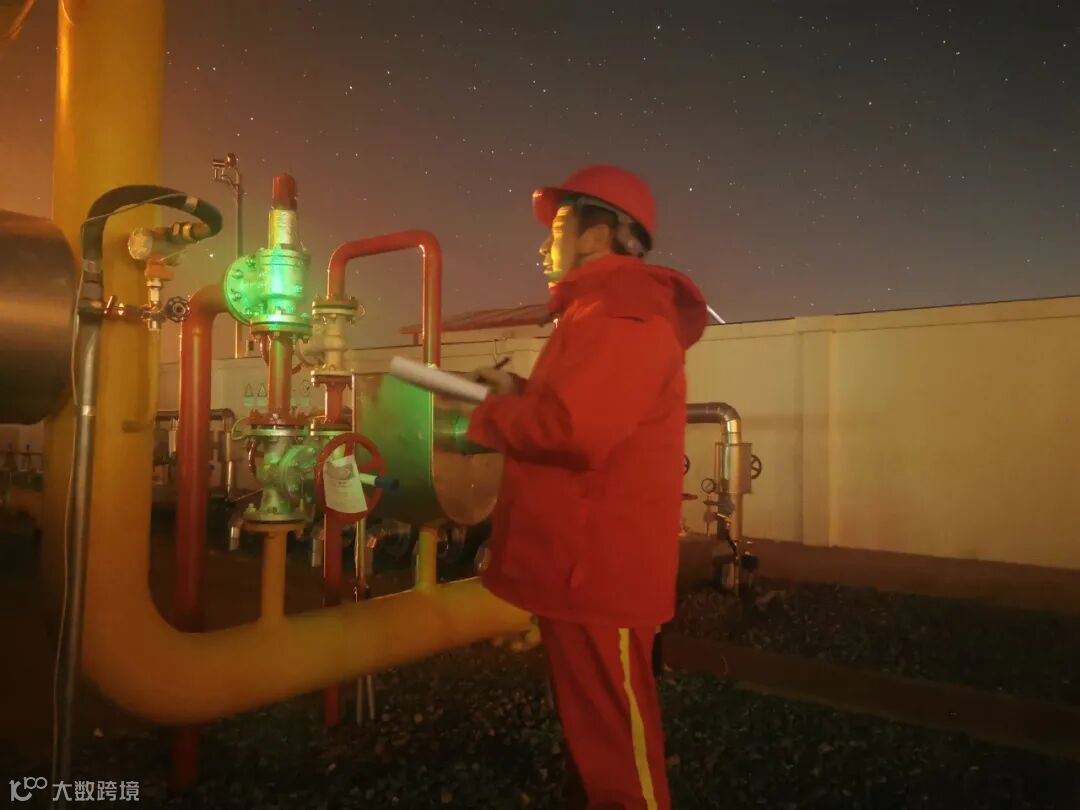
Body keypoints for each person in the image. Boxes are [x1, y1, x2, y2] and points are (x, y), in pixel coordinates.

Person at [465, 165, 708, 809]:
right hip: (582, 566)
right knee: (595, 738)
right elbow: (576, 408)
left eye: (558, 230)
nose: (545, 245)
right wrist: (517, 391)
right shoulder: (601, 311)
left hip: (597, 571)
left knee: (616, 752)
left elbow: (576, 429)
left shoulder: (622, 312)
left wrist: (482, 418)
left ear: (597, 235)